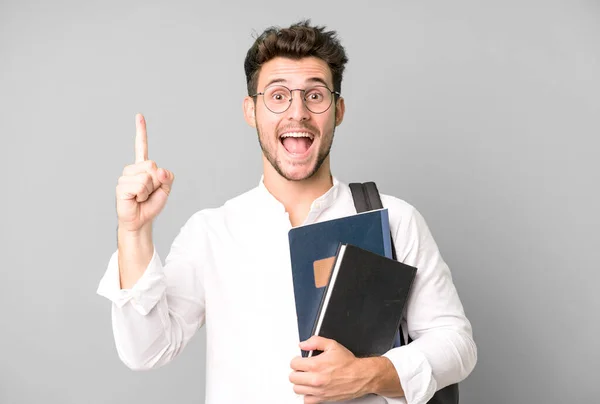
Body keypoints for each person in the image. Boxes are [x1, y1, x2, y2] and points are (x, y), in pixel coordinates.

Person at [97, 20, 477, 404]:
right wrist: (133, 233)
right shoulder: (211, 233)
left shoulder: (395, 219)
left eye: (315, 96)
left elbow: (456, 344)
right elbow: (145, 351)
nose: (298, 113)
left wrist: (368, 375)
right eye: (278, 96)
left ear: (338, 109)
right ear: (251, 110)